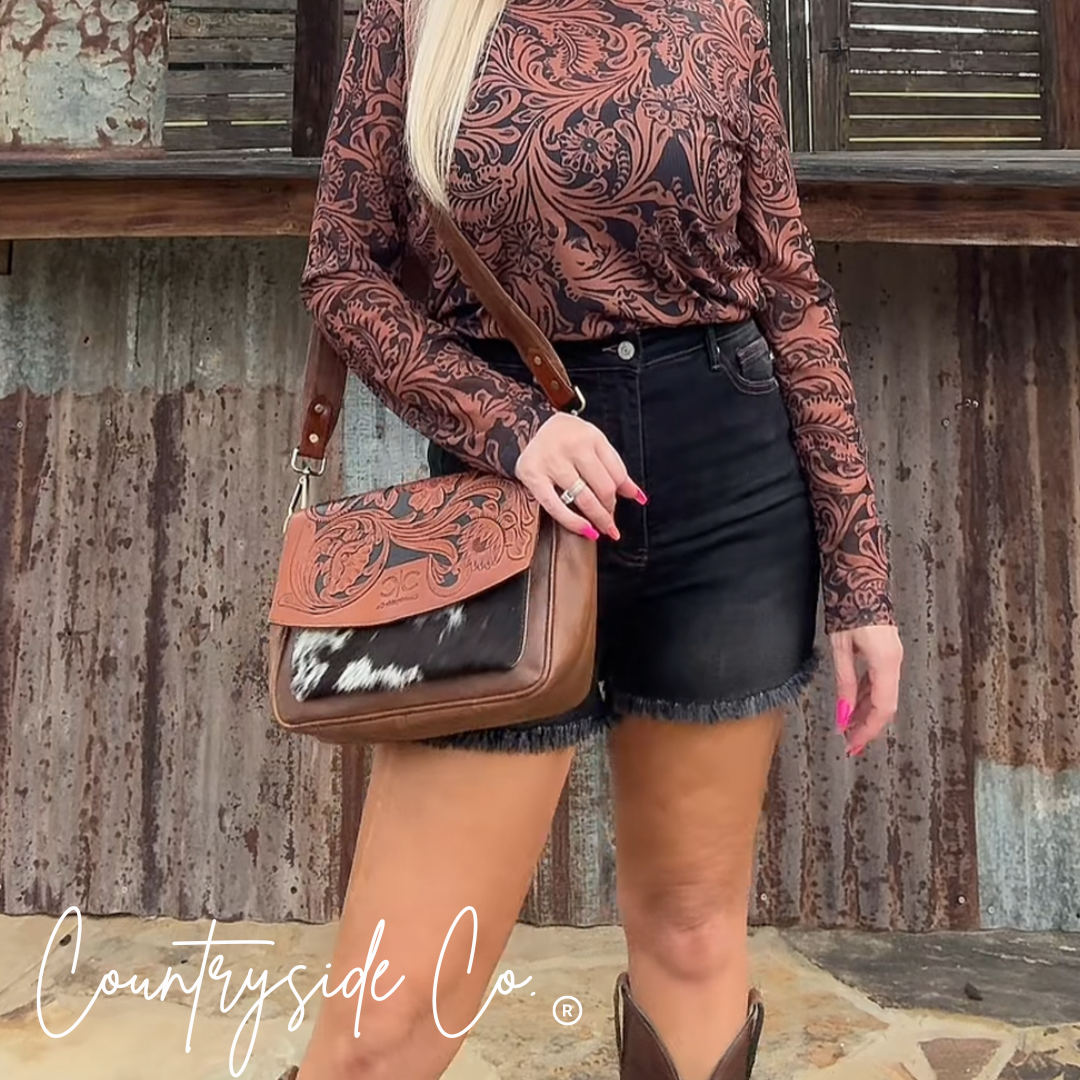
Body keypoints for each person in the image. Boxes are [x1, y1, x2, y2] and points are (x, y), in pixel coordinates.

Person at [282, 0, 904, 1077]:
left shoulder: (721, 15)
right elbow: (341, 274)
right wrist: (510, 425)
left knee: (694, 935)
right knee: (384, 1025)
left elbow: (791, 293)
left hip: (728, 498)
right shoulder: (415, 16)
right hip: (506, 511)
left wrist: (861, 576)